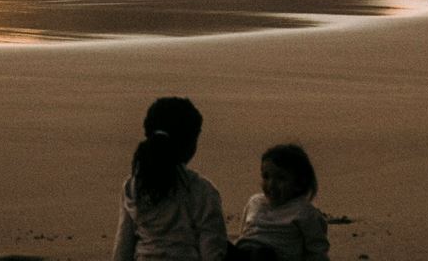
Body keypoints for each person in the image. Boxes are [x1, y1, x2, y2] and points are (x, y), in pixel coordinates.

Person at [112, 96, 229, 261]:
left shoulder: (132, 187)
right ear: (189, 143)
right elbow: (212, 251)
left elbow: (123, 248)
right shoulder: (202, 191)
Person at [234, 144, 329, 261]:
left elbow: (317, 251)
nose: (271, 184)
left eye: (281, 178)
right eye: (266, 176)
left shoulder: (304, 211)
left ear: (299, 184)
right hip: (243, 253)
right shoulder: (255, 202)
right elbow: (243, 233)